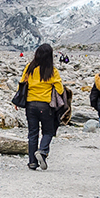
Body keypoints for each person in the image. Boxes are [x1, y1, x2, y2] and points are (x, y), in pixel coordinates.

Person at [18, 43, 65, 171]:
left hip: (30, 104)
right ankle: (43, 151)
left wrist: (17, 101)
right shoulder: (52, 70)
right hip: (46, 105)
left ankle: (32, 162)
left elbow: (22, 84)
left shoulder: (29, 68)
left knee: (32, 133)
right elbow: (60, 89)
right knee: (48, 131)